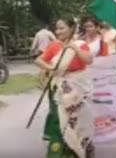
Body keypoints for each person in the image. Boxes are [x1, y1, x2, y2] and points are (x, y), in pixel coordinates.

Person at [35, 18, 95, 158]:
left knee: (80, 119)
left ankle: (83, 147)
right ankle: (60, 151)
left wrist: (74, 47)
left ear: (72, 28)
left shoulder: (80, 44)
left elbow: (89, 60)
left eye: (62, 28)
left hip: (78, 86)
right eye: (57, 28)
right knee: (61, 120)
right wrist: (51, 68)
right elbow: (39, 60)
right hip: (59, 87)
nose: (58, 31)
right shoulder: (54, 46)